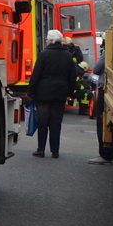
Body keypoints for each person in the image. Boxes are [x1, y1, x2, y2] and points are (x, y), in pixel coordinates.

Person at [27, 29, 75, 158]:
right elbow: (72, 76)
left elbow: (36, 75)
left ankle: (41, 150)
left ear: (52, 40)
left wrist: (30, 91)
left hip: (43, 93)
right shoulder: (68, 56)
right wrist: (70, 92)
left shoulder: (44, 54)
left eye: (47, 39)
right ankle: (55, 151)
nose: (47, 41)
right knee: (56, 123)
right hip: (60, 93)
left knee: (42, 122)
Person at [87, 53, 113, 165]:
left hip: (106, 89)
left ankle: (105, 154)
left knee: (103, 122)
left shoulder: (108, 52)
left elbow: (97, 69)